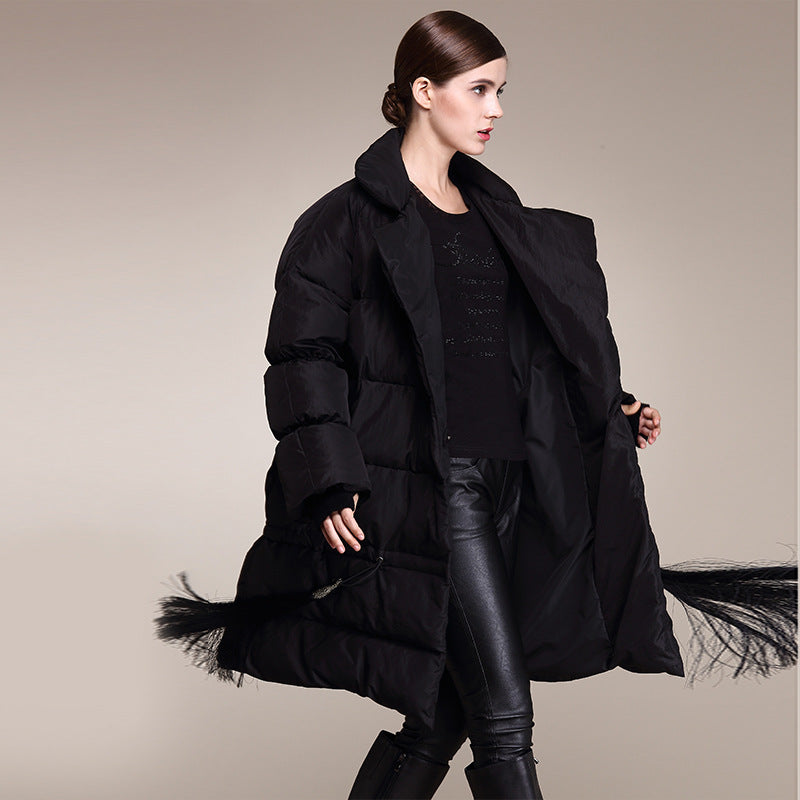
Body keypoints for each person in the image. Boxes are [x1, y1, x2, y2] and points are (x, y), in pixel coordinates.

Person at [155, 10, 797, 800]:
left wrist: (613, 409)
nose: (496, 109)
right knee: (503, 717)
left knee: (442, 716)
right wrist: (327, 478)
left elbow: (521, 351)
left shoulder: (499, 219)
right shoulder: (344, 222)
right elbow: (303, 356)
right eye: (481, 89)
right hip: (433, 489)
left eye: (502, 91)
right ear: (425, 91)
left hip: (516, 487)